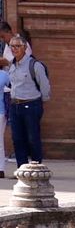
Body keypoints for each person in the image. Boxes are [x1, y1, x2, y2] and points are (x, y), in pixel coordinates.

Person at [6, 34, 50, 169]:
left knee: (32, 138)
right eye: (12, 46)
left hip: (31, 105)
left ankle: (36, 168)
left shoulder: (34, 65)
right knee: (17, 139)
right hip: (15, 106)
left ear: (25, 48)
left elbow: (45, 86)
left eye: (18, 46)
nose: (14, 49)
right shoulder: (12, 65)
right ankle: (22, 169)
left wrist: (41, 102)